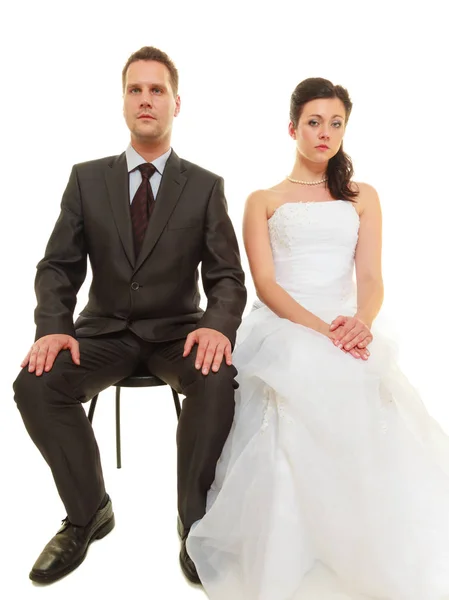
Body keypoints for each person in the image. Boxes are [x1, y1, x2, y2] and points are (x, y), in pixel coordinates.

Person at [187, 78, 449, 600]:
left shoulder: (363, 197)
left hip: (347, 322)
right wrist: (321, 330)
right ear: (292, 128)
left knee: (364, 380)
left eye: (335, 123)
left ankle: (362, 531)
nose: (325, 132)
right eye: (314, 122)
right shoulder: (263, 200)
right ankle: (291, 539)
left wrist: (361, 323)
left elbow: (371, 278)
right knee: (302, 374)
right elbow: (264, 283)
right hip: (286, 321)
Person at [12, 46, 246, 585]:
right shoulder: (86, 179)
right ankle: (87, 512)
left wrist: (216, 325)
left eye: (157, 90)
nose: (146, 99)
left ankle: (195, 526)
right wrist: (53, 330)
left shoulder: (205, 186)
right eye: (135, 90)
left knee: (218, 378)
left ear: (176, 103)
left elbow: (227, 277)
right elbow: (57, 267)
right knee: (35, 383)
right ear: (123, 103)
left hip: (176, 336)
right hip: (105, 334)